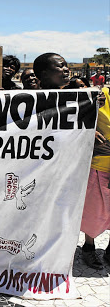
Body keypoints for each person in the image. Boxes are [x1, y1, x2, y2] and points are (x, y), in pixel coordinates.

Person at [80, 86, 110, 269]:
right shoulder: (101, 95)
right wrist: (89, 132)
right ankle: (88, 248)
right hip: (98, 165)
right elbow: (78, 118)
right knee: (93, 209)